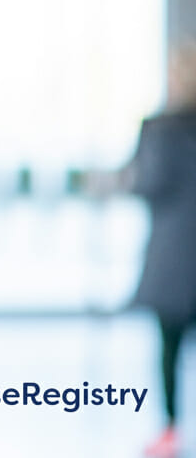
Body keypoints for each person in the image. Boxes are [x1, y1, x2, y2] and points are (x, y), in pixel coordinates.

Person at [133, 45, 196, 458]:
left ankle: (171, 429)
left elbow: (146, 183)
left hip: (175, 254)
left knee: (169, 346)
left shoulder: (159, 129)